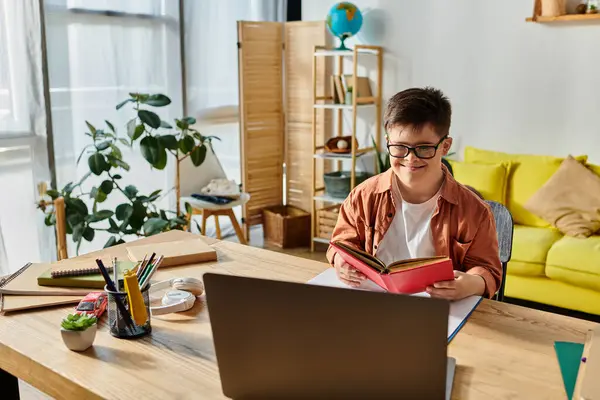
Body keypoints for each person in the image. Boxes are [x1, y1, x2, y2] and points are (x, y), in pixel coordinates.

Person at [326, 87, 502, 300]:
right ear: (388, 142)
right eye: (399, 147)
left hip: (439, 313)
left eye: (424, 148)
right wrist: (339, 261)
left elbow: (487, 271)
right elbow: (341, 244)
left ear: (445, 146)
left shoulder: (475, 211)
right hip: (372, 303)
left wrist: (472, 284)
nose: (410, 159)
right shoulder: (363, 196)